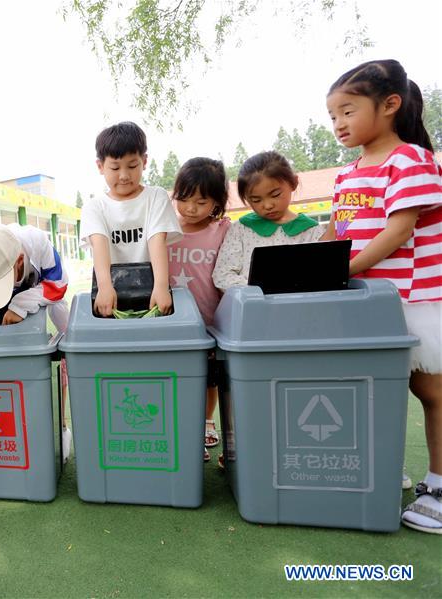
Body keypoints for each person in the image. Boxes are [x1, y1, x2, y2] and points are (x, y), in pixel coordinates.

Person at [325, 59, 442, 534]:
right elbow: (337, 231)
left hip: (412, 298)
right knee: (371, 388)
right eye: (333, 116)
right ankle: (381, 469)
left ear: (390, 105)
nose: (339, 124)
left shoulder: (410, 160)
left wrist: (340, 267)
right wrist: (324, 263)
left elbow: (399, 229)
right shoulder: (347, 173)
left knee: (430, 390)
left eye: (348, 111)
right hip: (364, 299)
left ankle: (438, 484)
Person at [0, 221, 73, 461]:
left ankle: (60, 426)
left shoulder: (37, 242)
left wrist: (22, 304)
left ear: (19, 261)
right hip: (3, 302)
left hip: (41, 294)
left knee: (68, 342)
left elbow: (58, 285)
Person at [79, 122, 181, 317]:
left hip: (151, 291)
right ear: (100, 166)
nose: (124, 176)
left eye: (133, 166)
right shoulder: (94, 207)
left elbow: (156, 240)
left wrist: (161, 287)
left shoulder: (156, 197)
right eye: (115, 168)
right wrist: (105, 287)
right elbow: (100, 246)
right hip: (112, 292)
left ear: (144, 161)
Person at [167, 158, 231, 462]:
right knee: (179, 376)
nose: (190, 208)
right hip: (172, 321)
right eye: (184, 198)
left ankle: (207, 421)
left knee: (210, 377)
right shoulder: (164, 226)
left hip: (209, 316)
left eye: (201, 201)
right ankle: (184, 426)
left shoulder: (221, 230)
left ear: (216, 202)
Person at [211, 151, 326, 291]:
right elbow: (222, 275)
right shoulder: (241, 229)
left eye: (275, 195)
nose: (267, 205)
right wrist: (261, 290)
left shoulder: (312, 232)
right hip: (252, 308)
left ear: (294, 183)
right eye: (256, 200)